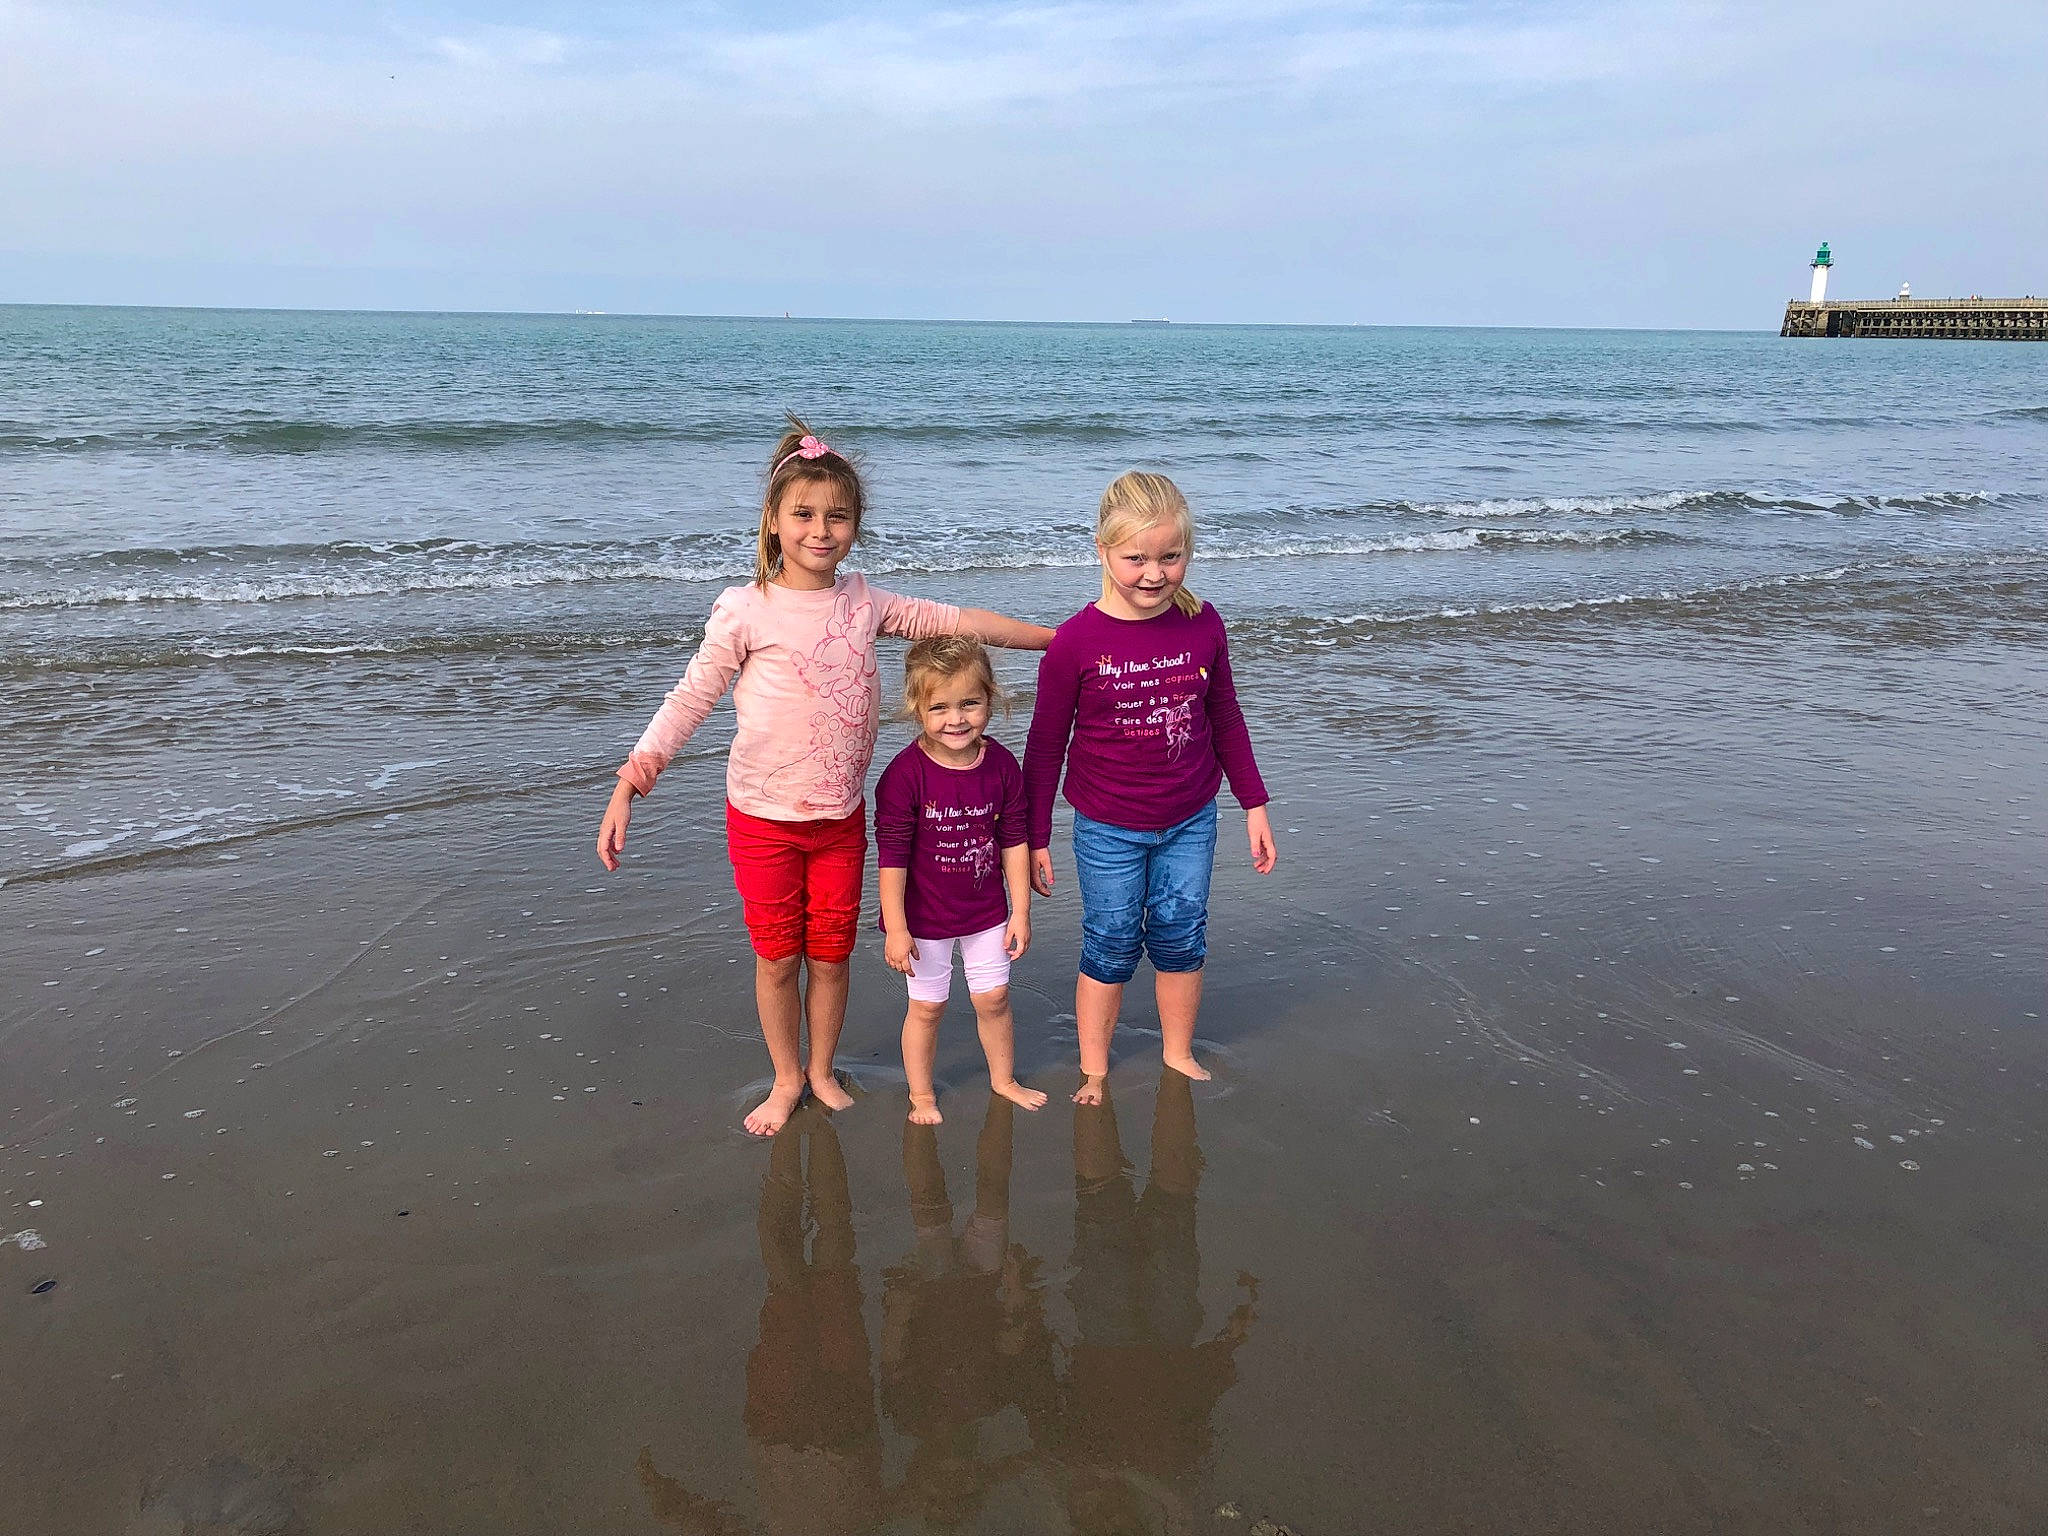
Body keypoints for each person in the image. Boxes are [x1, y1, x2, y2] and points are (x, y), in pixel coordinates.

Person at [598, 418, 1054, 1136]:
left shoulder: (865, 604)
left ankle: (821, 1070)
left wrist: (1057, 638)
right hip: (762, 820)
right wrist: (633, 781)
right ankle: (785, 1079)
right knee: (779, 958)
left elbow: (958, 619)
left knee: (833, 956)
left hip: (841, 822)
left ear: (855, 525)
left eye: (836, 516)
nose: (820, 530)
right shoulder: (745, 610)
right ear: (773, 523)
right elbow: (689, 699)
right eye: (803, 515)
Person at [1023, 471, 1276, 1104]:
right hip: (1106, 824)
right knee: (1109, 936)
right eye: (1136, 557)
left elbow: (1226, 717)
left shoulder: (1203, 626)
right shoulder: (1074, 643)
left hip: (1191, 816)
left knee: (1182, 929)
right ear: (1102, 551)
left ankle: (1177, 1051)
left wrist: (1254, 803)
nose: (1153, 573)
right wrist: (1032, 836)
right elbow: (1046, 746)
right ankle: (1095, 1070)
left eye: (1170, 556)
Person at [875, 637, 1048, 1124]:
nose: (957, 719)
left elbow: (1014, 840)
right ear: (917, 709)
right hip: (922, 920)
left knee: (993, 999)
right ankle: (922, 1095)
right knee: (928, 1008)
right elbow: (893, 856)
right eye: (940, 707)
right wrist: (895, 926)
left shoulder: (1000, 766)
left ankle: (1004, 1079)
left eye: (970, 703)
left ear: (990, 699)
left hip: (987, 913)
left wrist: (1021, 911)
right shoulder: (905, 776)